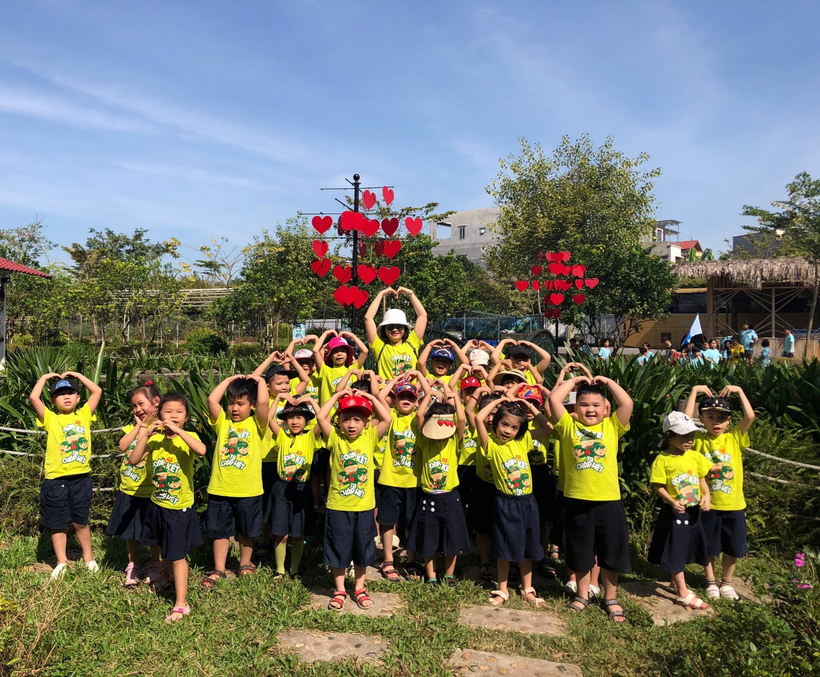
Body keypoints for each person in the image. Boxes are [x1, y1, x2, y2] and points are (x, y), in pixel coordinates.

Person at [549, 375, 634, 622]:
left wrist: (607, 382)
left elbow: (627, 404)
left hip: (609, 501)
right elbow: (554, 399)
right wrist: (574, 381)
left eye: (596, 405)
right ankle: (582, 594)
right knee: (579, 551)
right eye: (584, 404)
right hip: (577, 500)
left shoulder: (612, 426)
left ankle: (611, 597)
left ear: (606, 409)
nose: (590, 409)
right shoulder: (568, 426)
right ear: (575, 408)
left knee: (611, 551)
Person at [131, 393, 207, 622]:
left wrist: (180, 432)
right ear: (159, 414)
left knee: (177, 555)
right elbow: (134, 459)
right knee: (163, 546)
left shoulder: (189, 437)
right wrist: (146, 434)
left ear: (186, 417)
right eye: (168, 411)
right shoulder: (155, 440)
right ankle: (166, 575)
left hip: (179, 508)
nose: (173, 415)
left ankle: (181, 603)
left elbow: (202, 450)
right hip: (158, 504)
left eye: (179, 412)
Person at [315, 390, 392, 611]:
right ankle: (339, 589)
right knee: (338, 547)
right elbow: (321, 416)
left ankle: (359, 587)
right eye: (346, 419)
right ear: (338, 421)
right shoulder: (335, 438)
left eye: (357, 419)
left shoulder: (370, 437)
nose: (351, 424)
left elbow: (387, 418)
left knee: (362, 549)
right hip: (338, 506)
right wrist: (338, 395)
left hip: (364, 507)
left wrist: (371, 398)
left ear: (366, 423)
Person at [475, 394, 552, 606]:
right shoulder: (491, 445)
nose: (508, 431)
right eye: (504, 424)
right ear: (495, 423)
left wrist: (529, 406)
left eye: (514, 427)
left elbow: (547, 428)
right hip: (506, 503)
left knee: (527, 546)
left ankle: (528, 589)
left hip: (528, 502)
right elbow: (478, 419)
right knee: (504, 548)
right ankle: (502, 590)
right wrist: (497, 402)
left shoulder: (523, 440)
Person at [684, 385, 755, 600]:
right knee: (709, 546)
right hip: (708, 503)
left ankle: (727, 582)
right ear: (701, 418)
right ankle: (710, 582)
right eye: (711, 417)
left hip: (734, 504)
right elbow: (685, 420)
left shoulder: (734, 438)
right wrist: (694, 392)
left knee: (733, 546)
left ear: (729, 421)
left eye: (722, 418)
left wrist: (740, 391)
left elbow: (750, 416)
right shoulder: (698, 439)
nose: (716, 422)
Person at [30, 371, 103, 579]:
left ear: (78, 398)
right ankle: (61, 561)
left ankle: (88, 558)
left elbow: (97, 391)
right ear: (53, 401)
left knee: (81, 521)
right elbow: (34, 398)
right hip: (56, 480)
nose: (66, 397)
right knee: (57, 524)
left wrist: (79, 376)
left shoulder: (84, 415)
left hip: (81, 478)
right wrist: (44, 378)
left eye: (71, 393)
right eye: (60, 394)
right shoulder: (50, 418)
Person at [201, 375, 269, 588]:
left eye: (240, 403)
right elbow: (212, 400)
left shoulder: (257, 424)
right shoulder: (223, 423)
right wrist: (230, 379)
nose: (235, 408)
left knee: (247, 531)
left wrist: (260, 381)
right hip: (220, 488)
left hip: (248, 489)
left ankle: (245, 563)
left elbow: (264, 403)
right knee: (219, 531)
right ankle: (219, 568)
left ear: (252, 405)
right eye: (231, 403)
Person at [407, 379, 470, 586]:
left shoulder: (453, 442)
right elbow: (419, 416)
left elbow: (462, 419)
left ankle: (449, 575)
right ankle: (432, 576)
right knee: (429, 539)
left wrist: (453, 397)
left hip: (450, 496)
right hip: (429, 498)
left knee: (452, 539)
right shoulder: (425, 441)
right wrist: (428, 396)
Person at [648, 412, 712, 610]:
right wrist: (671, 501)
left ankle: (675, 583)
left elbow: (702, 480)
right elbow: (658, 486)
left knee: (686, 547)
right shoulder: (663, 460)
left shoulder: (695, 457)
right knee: (675, 549)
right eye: (684, 436)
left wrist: (707, 495)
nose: (689, 441)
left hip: (693, 511)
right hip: (674, 512)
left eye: (691, 436)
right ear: (669, 436)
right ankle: (682, 593)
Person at [108, 382, 163, 588]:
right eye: (134, 406)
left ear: (156, 402)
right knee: (130, 532)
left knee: (153, 531)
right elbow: (123, 446)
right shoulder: (133, 427)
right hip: (129, 489)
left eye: (141, 404)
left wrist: (147, 428)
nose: (137, 409)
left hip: (151, 490)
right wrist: (139, 426)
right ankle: (132, 564)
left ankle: (156, 563)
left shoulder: (161, 429)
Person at [267, 396, 323, 578]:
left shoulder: (310, 437)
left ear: (306, 420)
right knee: (281, 532)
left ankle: (294, 570)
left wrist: (311, 401)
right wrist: (279, 398)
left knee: (298, 533)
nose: (295, 421)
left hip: (302, 489)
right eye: (290, 417)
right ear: (285, 420)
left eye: (300, 417)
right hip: (282, 488)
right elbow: (269, 418)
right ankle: (279, 570)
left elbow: (323, 419)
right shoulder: (282, 436)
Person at [375, 376, 423, 582]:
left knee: (413, 521)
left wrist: (419, 376)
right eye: (401, 396)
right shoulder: (391, 416)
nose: (406, 400)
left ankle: (411, 560)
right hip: (390, 478)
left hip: (414, 480)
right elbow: (379, 396)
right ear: (394, 400)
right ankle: (388, 559)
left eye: (410, 397)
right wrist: (395, 381)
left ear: (416, 401)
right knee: (388, 521)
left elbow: (426, 399)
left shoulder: (419, 418)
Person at [365, 286, 427, 380]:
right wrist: (381, 294)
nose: (395, 330)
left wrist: (410, 293)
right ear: (384, 329)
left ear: (405, 328)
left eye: (399, 326)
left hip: (411, 389)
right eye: (390, 327)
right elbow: (368, 318)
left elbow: (423, 316)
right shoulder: (380, 346)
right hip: (388, 389)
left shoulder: (412, 342)